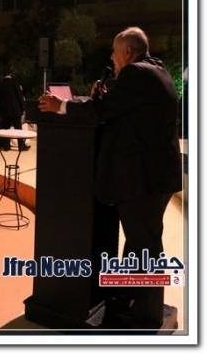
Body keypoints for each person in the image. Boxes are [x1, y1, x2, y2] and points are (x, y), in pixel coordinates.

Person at [38, 27, 182, 330]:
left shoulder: (134, 73)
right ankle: (131, 300)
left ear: (128, 52)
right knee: (141, 242)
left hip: (143, 179)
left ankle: (147, 315)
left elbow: (101, 112)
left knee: (145, 245)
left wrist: (60, 105)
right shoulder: (157, 70)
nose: (112, 59)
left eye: (115, 53)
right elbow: (126, 111)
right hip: (157, 177)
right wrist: (106, 97)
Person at [0, 73, 27, 150]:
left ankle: (6, 146)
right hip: (15, 111)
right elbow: (20, 96)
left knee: (6, 130)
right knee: (18, 129)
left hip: (4, 112)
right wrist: (23, 108)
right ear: (11, 75)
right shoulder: (15, 83)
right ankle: (21, 146)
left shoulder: (0, 84)